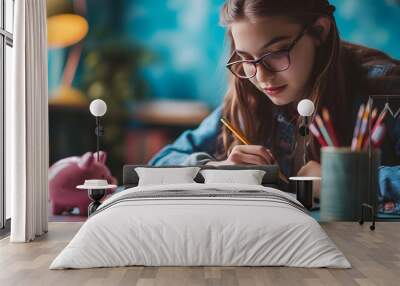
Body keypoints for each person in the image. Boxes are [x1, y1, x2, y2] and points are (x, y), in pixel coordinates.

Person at [148, 0, 400, 195]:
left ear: (320, 31)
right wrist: (217, 168)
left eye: (276, 53)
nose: (261, 76)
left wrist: (342, 181)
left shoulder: (386, 88)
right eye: (247, 58)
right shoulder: (246, 97)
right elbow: (159, 163)